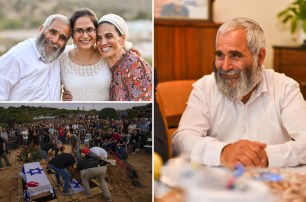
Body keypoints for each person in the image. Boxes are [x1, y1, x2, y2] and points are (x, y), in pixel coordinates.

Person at [172, 17, 306, 169]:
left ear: (260, 57)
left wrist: (265, 156)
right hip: (216, 187)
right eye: (220, 55)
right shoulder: (205, 88)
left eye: (235, 55)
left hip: (273, 184)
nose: (225, 66)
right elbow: (181, 140)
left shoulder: (285, 88)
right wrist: (223, 152)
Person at [0, 14, 71, 101]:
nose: (55, 40)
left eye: (62, 38)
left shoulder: (59, 56)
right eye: (52, 32)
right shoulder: (16, 57)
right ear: (41, 29)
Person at [96, 14, 152, 101]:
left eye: (109, 36)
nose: (103, 42)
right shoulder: (103, 64)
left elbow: (144, 103)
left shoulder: (133, 64)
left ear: (122, 39)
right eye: (98, 38)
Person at [60, 8, 111, 101]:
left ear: (96, 31)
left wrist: (128, 47)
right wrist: (61, 100)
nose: (85, 35)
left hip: (107, 114)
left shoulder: (107, 55)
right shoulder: (62, 58)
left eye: (89, 29)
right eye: (79, 30)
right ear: (72, 34)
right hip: (74, 114)